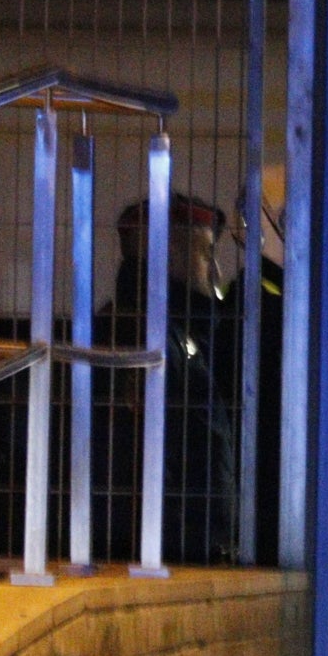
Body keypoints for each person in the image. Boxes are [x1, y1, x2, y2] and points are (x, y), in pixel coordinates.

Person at [103, 190, 238, 562]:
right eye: (206, 253)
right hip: (165, 555)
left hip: (184, 549)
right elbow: (132, 459)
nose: (216, 272)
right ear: (168, 255)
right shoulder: (141, 336)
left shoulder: (184, 333)